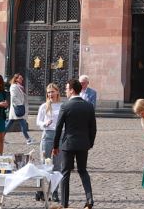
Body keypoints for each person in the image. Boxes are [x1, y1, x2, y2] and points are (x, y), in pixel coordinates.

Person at [52, 78, 97, 209]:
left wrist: (55, 146)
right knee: (83, 171)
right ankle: (89, 200)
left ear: (72, 90)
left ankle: (64, 203)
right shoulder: (88, 106)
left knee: (65, 172)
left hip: (68, 144)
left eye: (66, 89)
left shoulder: (65, 106)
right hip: (83, 144)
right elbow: (93, 128)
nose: (65, 91)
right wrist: (90, 143)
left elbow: (59, 127)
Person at [35, 83, 64, 203]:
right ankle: (40, 190)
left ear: (57, 92)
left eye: (52, 91)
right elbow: (38, 121)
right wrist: (44, 124)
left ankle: (55, 191)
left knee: (57, 165)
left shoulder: (62, 106)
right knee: (44, 163)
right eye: (48, 92)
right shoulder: (44, 106)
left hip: (59, 136)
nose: (50, 94)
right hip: (47, 136)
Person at [6, 72, 34, 145]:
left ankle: (1, 137)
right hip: (17, 108)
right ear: (16, 79)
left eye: (22, 78)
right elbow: (13, 97)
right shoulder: (14, 87)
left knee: (9, 124)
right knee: (23, 124)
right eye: (20, 78)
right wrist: (20, 104)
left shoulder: (19, 87)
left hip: (18, 108)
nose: (22, 79)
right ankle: (28, 139)